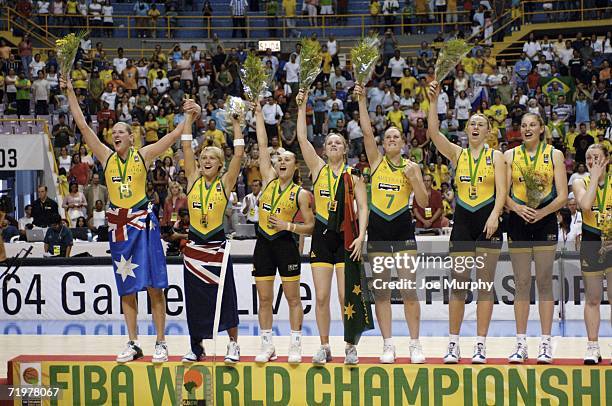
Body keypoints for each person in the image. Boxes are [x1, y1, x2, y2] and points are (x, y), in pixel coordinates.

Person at [61, 75, 201, 364]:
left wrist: (191, 116)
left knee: (154, 285)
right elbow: (83, 125)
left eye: (121, 132)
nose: (115, 135)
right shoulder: (105, 156)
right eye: (113, 132)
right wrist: (70, 91)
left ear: (132, 137)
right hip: (119, 229)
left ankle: (161, 343)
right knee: (127, 287)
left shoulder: (144, 154)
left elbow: (174, 136)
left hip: (143, 225)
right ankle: (133, 342)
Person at [427, 81, 507, 364]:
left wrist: (496, 214)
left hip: (487, 222)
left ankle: (481, 345)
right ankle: (453, 343)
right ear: (466, 129)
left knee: (485, 285)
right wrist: (434, 102)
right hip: (462, 222)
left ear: (488, 131)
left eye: (480, 124)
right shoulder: (457, 154)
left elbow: (502, 191)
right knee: (458, 283)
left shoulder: (496, 156)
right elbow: (433, 133)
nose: (474, 127)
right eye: (471, 123)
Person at [355, 83, 428, 364]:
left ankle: (415, 344)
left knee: (409, 289)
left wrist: (416, 179)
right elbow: (366, 131)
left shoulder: (412, 167)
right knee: (382, 292)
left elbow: (422, 202)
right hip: (378, 232)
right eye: (387, 137)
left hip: (402, 231)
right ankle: (388, 345)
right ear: (383, 144)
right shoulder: (375, 162)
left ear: (403, 141)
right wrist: (362, 101)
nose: (391, 139)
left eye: (396, 136)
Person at [297, 89, 369, 365]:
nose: (334, 146)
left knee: (344, 295)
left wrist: (361, 235)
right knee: (323, 295)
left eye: (338, 143)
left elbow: (363, 208)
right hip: (321, 237)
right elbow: (302, 138)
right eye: (329, 143)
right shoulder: (317, 169)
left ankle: (350, 345)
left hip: (346, 237)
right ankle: (324, 346)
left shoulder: (354, 175)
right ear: (324, 149)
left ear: (345, 149)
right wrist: (302, 105)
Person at [252, 102, 315, 364]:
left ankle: (295, 343)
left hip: (285, 244)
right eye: (280, 159)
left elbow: (310, 227)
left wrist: (288, 226)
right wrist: (258, 114)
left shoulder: (301, 194)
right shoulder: (267, 178)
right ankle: (267, 345)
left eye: (287, 159)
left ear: (294, 166)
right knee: (264, 299)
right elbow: (263, 142)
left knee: (292, 298)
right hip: (263, 244)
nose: (281, 162)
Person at [180, 106, 243, 363]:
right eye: (204, 157)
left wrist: (236, 123)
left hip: (217, 246)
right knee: (194, 301)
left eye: (212, 158)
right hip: (194, 247)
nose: (206, 161)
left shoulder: (225, 183)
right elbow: (185, 146)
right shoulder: (192, 178)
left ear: (220, 164)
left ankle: (233, 345)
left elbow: (239, 154)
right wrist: (188, 118)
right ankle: (197, 347)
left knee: (226, 296)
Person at [505, 113, 568, 364]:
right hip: (518, 221)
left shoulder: (554, 155)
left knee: (543, 282)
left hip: (545, 221)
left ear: (542, 129)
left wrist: (541, 212)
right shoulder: (510, 156)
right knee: (521, 283)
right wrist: (516, 208)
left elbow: (563, 195)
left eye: (532, 125)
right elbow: (503, 193)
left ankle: (545, 344)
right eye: (524, 125)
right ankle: (521, 344)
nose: (527, 129)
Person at [572, 144, 610, 365]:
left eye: (597, 157)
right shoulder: (580, 182)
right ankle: (593, 347)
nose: (592, 161)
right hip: (591, 241)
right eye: (588, 158)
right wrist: (594, 177)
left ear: (606, 159)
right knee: (593, 298)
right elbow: (586, 205)